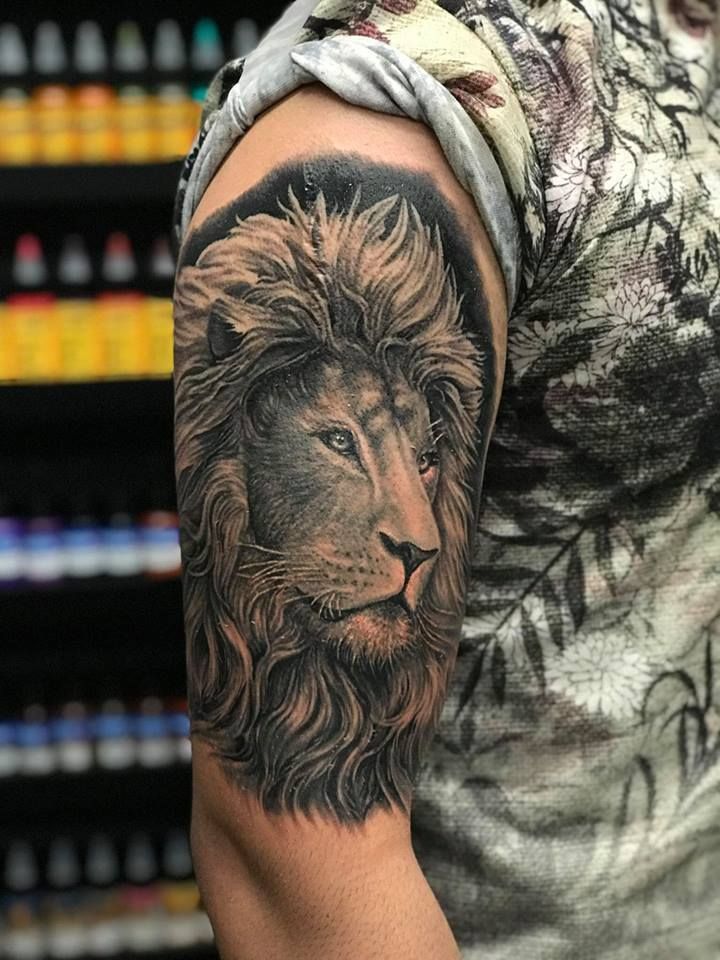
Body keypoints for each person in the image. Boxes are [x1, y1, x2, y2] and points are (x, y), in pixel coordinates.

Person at [172, 1, 720, 957]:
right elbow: (299, 881)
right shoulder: (381, 116)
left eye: (420, 459)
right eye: (341, 443)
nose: (415, 530)